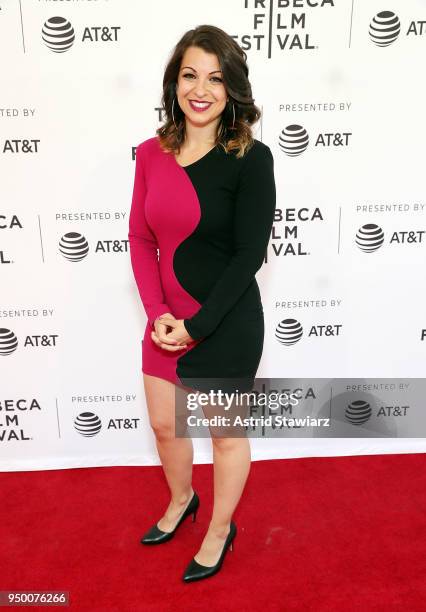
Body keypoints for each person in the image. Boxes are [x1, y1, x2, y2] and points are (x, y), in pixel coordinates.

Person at [128, 24, 276, 583]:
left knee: (223, 435)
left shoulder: (250, 158)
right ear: (174, 82)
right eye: (190, 74)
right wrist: (159, 317)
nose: (201, 88)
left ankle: (220, 529)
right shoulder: (150, 153)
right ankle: (182, 499)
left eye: (216, 78)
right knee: (167, 428)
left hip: (225, 321)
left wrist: (197, 325)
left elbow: (248, 256)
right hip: (165, 321)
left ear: (232, 88)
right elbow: (142, 239)